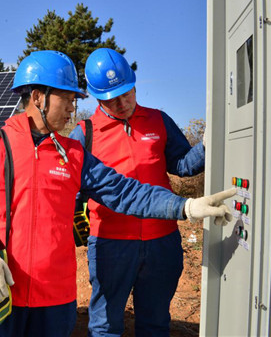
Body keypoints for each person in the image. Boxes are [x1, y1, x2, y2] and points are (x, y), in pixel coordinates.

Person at [0, 50, 233, 337]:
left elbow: (126, 192)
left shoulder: (73, 155)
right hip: (0, 290)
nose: (73, 109)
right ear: (38, 97)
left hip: (54, 300)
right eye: (68, 100)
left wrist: (186, 207)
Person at [69, 48, 206, 337]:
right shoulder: (85, 133)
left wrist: (208, 144)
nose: (122, 103)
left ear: (134, 84)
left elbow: (182, 164)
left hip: (162, 241)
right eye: (111, 98)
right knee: (106, 324)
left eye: (126, 93)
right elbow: (72, 188)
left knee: (155, 322)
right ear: (96, 97)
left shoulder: (159, 120)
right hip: (110, 244)